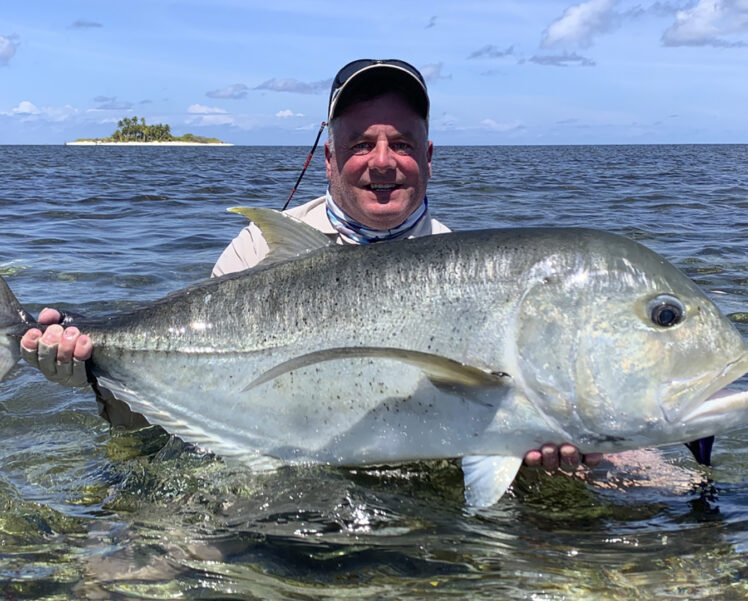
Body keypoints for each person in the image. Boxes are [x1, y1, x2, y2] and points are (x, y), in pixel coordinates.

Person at [19, 58, 600, 472]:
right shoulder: (258, 250)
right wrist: (97, 376)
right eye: (359, 145)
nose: (381, 162)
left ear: (427, 156)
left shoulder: (466, 269)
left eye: (400, 143)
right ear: (328, 160)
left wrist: (541, 449)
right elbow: (166, 415)